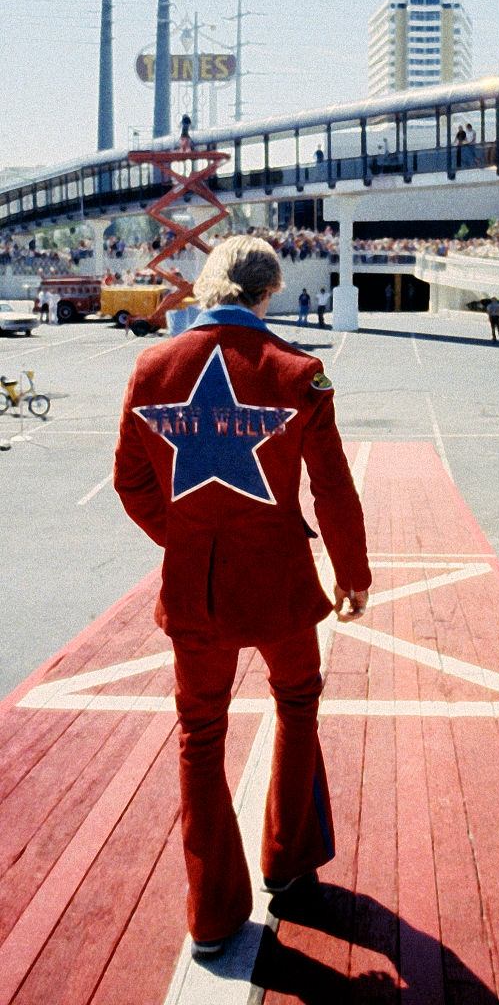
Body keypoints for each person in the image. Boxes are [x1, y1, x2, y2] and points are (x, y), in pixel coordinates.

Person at [113, 235, 371, 959]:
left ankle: (214, 914)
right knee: (296, 705)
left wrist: (187, 539)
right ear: (268, 293)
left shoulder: (152, 368)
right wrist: (353, 574)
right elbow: (333, 486)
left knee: (200, 738)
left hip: (195, 591)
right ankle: (288, 868)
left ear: (208, 286)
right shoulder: (299, 373)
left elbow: (130, 483)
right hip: (282, 584)